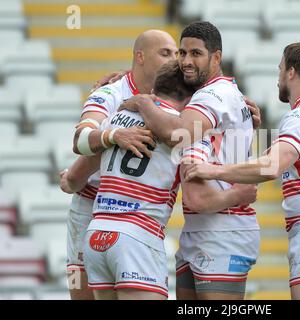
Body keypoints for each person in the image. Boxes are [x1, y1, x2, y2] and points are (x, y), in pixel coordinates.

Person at [66, 60, 258, 300]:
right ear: (194, 100)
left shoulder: (118, 117)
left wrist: (66, 179)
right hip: (139, 237)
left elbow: (73, 179)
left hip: (97, 234)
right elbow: (197, 198)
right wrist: (237, 195)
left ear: (155, 89)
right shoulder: (184, 134)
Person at [183, 42, 300, 300]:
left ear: (291, 72)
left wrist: (213, 171)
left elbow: (270, 167)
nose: (278, 78)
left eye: (280, 69)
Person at [119, 21, 260, 300]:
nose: (185, 61)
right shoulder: (216, 93)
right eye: (181, 53)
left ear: (216, 57)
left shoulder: (212, 95)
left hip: (224, 230)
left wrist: (143, 102)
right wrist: (120, 79)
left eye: (196, 54)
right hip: (199, 230)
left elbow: (177, 133)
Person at [59, 29, 178, 300]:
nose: (174, 60)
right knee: (83, 294)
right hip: (91, 206)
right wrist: (114, 136)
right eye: (165, 53)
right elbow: (80, 139)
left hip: (137, 215)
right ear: (140, 57)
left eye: (175, 53)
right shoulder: (112, 93)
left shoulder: (175, 98)